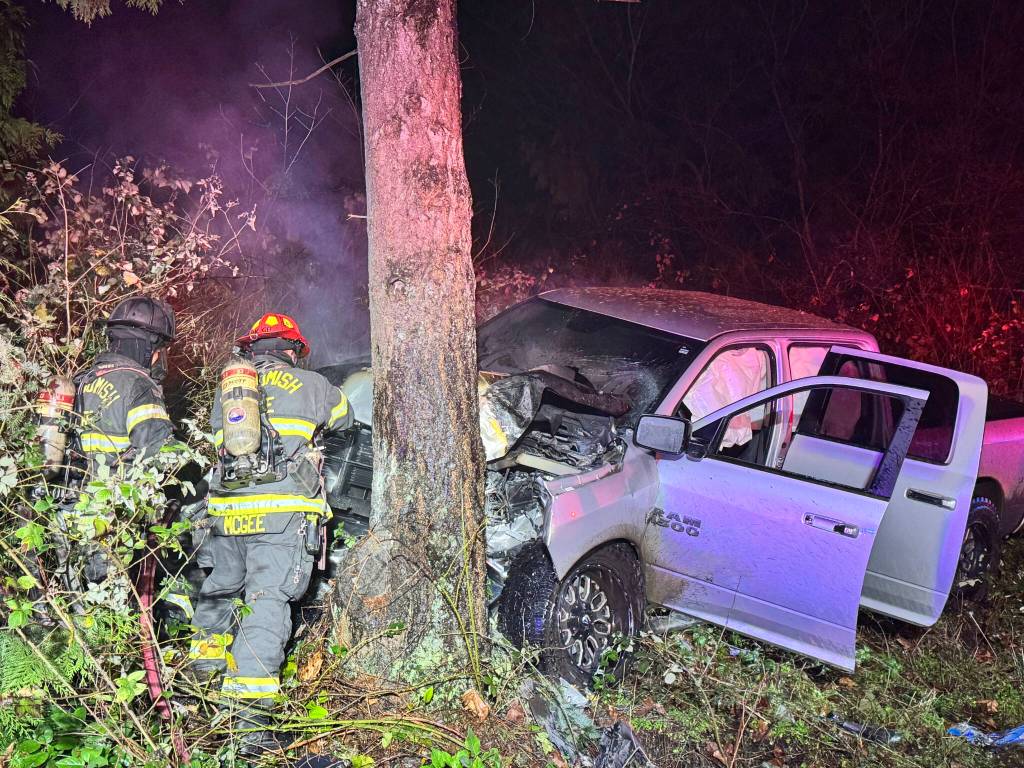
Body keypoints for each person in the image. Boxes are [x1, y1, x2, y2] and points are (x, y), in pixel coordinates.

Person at [188, 312, 352, 756]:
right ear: (293, 350)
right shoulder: (313, 385)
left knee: (218, 596)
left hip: (225, 512)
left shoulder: (229, 389)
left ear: (252, 349)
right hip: (281, 514)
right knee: (266, 606)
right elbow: (346, 419)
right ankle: (251, 730)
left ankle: (198, 700)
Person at [70, 296, 177, 584]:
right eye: (161, 349)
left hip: (69, 510)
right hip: (111, 520)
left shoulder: (81, 381)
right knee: (109, 607)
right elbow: (157, 457)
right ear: (150, 346)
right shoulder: (140, 386)